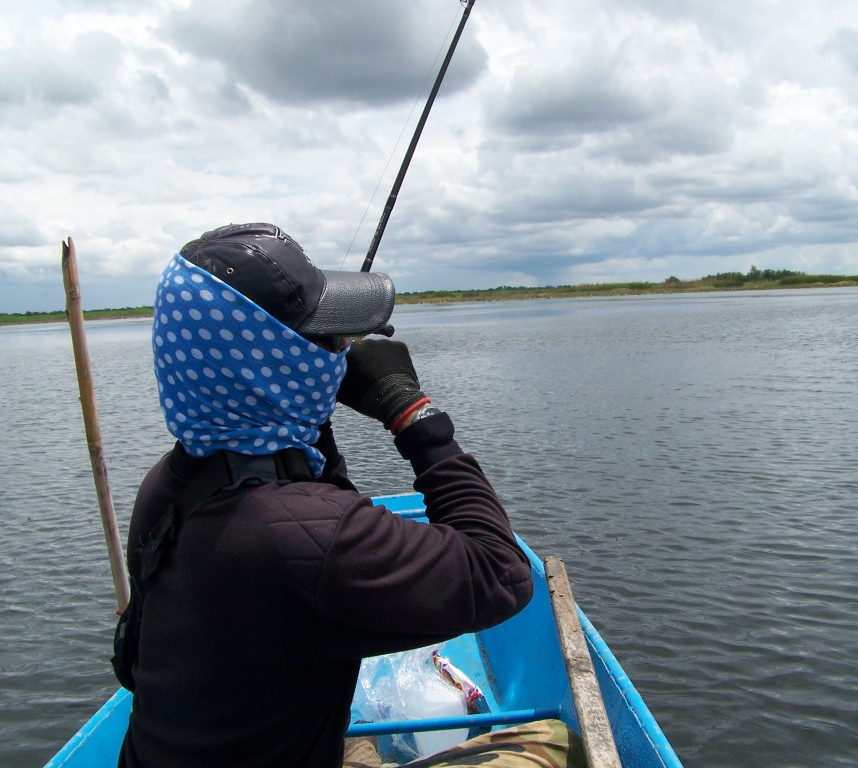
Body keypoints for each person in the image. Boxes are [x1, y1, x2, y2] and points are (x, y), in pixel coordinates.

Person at [118, 223, 582, 768]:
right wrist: (410, 412)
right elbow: (500, 572)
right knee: (552, 744)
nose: (338, 352)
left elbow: (131, 669)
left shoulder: (171, 484)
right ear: (278, 364)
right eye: (322, 341)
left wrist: (309, 414)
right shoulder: (312, 538)